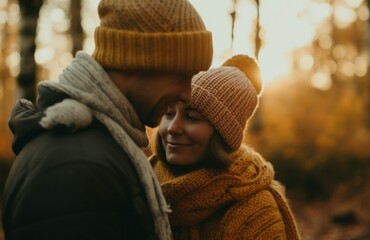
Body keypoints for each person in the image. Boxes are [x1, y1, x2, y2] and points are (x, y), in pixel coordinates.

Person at [2, 0, 212, 239]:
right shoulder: (79, 165)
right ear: (137, 58)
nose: (186, 94)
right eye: (183, 75)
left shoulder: (97, 148)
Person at [150, 55, 301, 239]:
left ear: (222, 135)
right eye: (169, 113)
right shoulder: (142, 179)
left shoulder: (256, 210)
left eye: (192, 118)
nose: (173, 128)